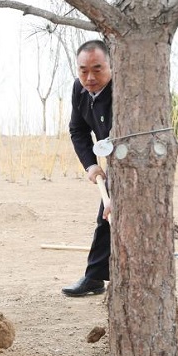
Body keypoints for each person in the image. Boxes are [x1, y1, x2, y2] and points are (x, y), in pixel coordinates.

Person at [61, 40, 113, 297]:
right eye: (83, 70)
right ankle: (94, 278)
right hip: (108, 159)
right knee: (106, 218)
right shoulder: (78, 90)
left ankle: (99, 276)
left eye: (97, 69)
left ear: (111, 66)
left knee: (110, 215)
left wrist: (121, 193)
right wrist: (91, 165)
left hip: (131, 161)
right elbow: (78, 129)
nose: (89, 77)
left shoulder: (123, 91)